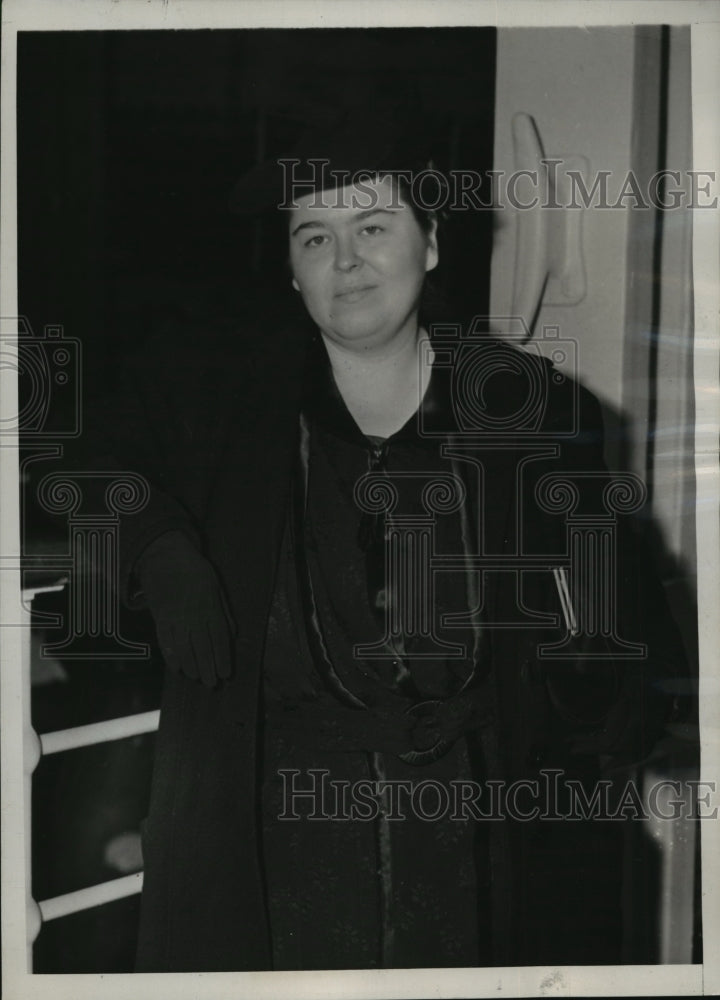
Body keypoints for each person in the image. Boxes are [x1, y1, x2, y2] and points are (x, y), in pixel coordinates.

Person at [76, 106, 686, 971]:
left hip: (476, 845)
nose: (347, 260)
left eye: (372, 226)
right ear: (291, 271)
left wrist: (590, 690)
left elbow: (621, 624)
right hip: (276, 840)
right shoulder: (218, 395)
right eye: (314, 238)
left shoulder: (531, 407)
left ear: (430, 243)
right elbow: (85, 459)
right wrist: (159, 545)